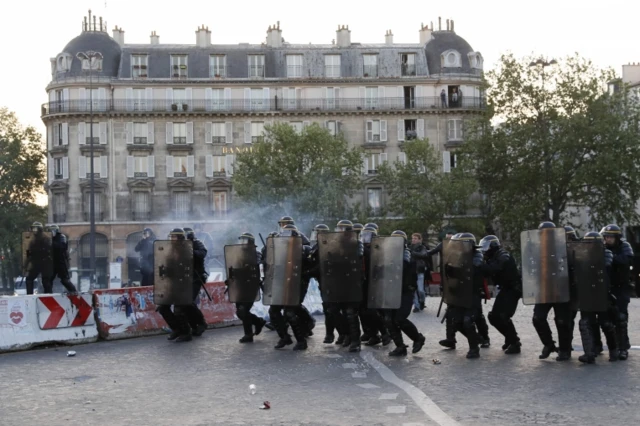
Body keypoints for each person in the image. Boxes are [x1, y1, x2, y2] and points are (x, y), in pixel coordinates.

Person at [531, 222, 575, 361]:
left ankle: (565, 349)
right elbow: (529, 267)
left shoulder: (562, 246)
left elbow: (572, 266)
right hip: (544, 288)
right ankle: (548, 344)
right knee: (538, 318)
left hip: (561, 288)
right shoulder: (536, 248)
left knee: (562, 321)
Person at [576, 232, 619, 363]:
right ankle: (589, 353)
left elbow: (605, 265)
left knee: (606, 323)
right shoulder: (581, 255)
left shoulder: (606, 253)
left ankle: (614, 350)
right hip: (586, 293)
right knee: (585, 323)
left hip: (601, 293)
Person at [383, 230, 426, 356]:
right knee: (388, 320)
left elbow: (405, 267)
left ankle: (418, 338)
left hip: (405, 292)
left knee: (400, 319)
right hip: (390, 291)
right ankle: (400, 346)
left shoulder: (408, 255)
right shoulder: (387, 255)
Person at [478, 235, 522, 354]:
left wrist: (480, 264)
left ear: (492, 246)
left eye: (486, 247)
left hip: (513, 289)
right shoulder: (493, 257)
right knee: (494, 317)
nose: (484, 251)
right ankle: (510, 338)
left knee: (502, 316)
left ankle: (515, 343)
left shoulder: (503, 255)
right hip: (505, 289)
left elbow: (495, 268)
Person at [444, 233, 484, 359]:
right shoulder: (457, 256)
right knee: (456, 322)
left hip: (473, 295)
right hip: (459, 294)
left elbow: (473, 268)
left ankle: (474, 348)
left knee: (468, 321)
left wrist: (458, 266)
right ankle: (477, 338)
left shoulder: (477, 255)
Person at [602, 224, 633, 361]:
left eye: (610, 237)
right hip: (606, 288)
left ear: (617, 238)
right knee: (606, 320)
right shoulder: (602, 248)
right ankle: (611, 348)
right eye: (606, 236)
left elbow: (626, 260)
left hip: (621, 288)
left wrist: (611, 256)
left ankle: (623, 348)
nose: (607, 239)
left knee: (620, 318)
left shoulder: (624, 246)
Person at [229, 232, 267, 343]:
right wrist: (231, 278)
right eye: (241, 241)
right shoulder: (237, 255)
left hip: (251, 285)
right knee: (240, 312)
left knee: (243, 310)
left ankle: (248, 335)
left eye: (244, 241)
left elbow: (256, 262)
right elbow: (232, 267)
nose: (242, 243)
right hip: (240, 286)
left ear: (250, 242)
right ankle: (258, 321)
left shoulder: (256, 253)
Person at [157, 228, 193, 342]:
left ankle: (186, 332)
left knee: (179, 310)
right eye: (171, 236)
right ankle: (176, 329)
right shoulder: (170, 249)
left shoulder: (186, 249)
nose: (172, 239)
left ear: (180, 238)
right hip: (172, 284)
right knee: (163, 308)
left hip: (183, 284)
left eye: (174, 237)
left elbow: (186, 266)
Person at [359, 225, 391, 346]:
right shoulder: (363, 248)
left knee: (372, 311)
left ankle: (384, 333)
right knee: (363, 312)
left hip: (375, 285)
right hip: (364, 284)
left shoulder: (378, 249)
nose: (365, 238)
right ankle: (373, 334)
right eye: (364, 235)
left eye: (368, 236)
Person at [425, 231, 457, 348]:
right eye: (447, 239)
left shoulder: (462, 253)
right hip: (448, 281)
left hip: (461, 286)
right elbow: (430, 253)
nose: (449, 242)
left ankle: (482, 338)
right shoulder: (442, 245)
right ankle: (450, 339)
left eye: (451, 239)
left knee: (471, 318)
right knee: (450, 313)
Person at [183, 227, 208, 337]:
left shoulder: (197, 243)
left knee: (188, 301)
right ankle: (194, 326)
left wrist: (191, 251)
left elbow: (202, 253)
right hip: (184, 278)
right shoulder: (180, 246)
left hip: (196, 277)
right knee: (184, 303)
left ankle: (201, 322)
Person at [24, 222, 54, 295]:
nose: (34, 231)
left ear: (39, 229)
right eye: (33, 229)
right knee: (29, 279)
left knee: (46, 281)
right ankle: (30, 296)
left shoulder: (47, 240)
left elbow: (52, 252)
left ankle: (49, 296)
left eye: (35, 229)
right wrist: (25, 265)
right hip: (36, 263)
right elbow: (29, 254)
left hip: (45, 263)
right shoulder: (32, 241)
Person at [47, 225, 78, 294]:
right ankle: (48, 294)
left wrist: (50, 243)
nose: (51, 233)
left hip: (61, 262)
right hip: (52, 263)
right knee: (48, 280)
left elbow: (61, 246)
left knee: (65, 280)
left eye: (52, 231)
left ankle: (74, 292)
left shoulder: (61, 237)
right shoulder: (49, 239)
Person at [409, 233, 428, 313]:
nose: (413, 240)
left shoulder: (422, 247)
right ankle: (416, 306)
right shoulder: (409, 247)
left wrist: (412, 253)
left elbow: (423, 254)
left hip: (419, 270)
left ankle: (422, 301)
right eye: (413, 238)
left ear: (420, 239)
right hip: (411, 271)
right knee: (413, 290)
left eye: (415, 238)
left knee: (420, 290)